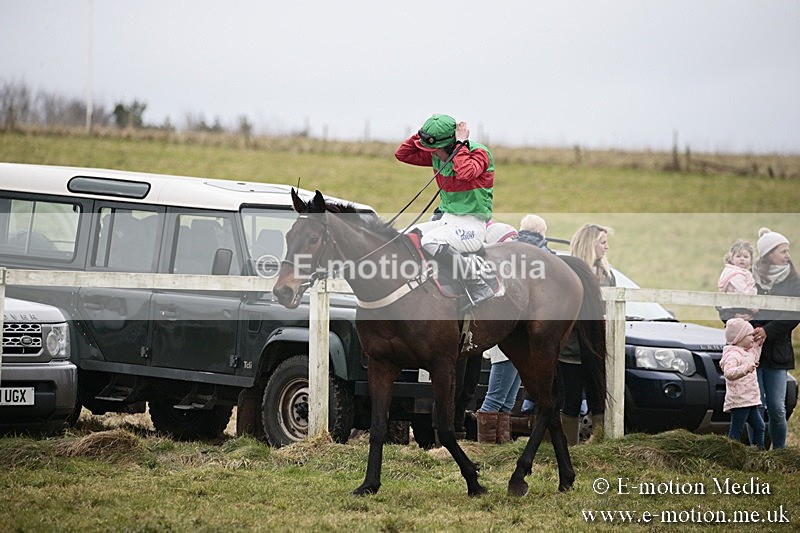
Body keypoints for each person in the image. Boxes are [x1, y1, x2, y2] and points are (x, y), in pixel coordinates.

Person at [395, 114, 495, 307]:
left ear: (451, 144)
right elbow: (402, 154)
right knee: (404, 237)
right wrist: (426, 134)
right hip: (447, 220)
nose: (432, 154)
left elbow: (466, 173)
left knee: (431, 241)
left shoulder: (479, 153)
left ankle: (478, 286)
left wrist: (461, 144)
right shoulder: (438, 152)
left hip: (472, 225)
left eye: (435, 150)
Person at [558, 223, 615, 445]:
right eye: (603, 242)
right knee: (570, 402)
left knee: (599, 400)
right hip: (571, 349)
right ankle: (568, 448)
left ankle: (599, 444)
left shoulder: (607, 276)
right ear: (590, 244)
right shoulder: (568, 273)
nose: (607, 247)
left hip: (598, 349)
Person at [749, 228, 800, 449]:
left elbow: (794, 314)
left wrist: (768, 331)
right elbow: (729, 304)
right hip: (750, 348)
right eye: (782, 251)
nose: (787, 255)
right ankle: (756, 452)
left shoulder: (794, 281)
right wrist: (747, 328)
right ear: (769, 253)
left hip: (778, 351)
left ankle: (779, 453)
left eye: (787, 250)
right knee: (754, 405)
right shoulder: (748, 277)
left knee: (777, 407)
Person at [719, 318, 765, 449]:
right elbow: (729, 373)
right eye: (750, 335)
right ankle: (731, 454)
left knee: (760, 427)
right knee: (736, 430)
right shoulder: (732, 355)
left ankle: (759, 454)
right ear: (739, 337)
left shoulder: (747, 352)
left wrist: (758, 343)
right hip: (739, 400)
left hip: (750, 399)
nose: (752, 338)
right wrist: (745, 369)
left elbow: (755, 356)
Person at [717, 239, 758, 316]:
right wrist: (752, 305)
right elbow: (743, 291)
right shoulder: (735, 274)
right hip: (734, 306)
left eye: (745, 257)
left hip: (741, 305)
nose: (742, 259)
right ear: (732, 258)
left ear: (751, 259)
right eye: (738, 256)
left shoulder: (745, 272)